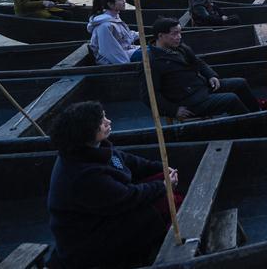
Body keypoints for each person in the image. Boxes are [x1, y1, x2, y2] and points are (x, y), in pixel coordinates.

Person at [47, 101, 178, 268]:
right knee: (153, 210)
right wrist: (163, 186)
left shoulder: (97, 148)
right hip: (87, 240)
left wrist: (161, 169)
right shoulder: (83, 175)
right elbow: (128, 197)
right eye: (101, 121)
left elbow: (129, 162)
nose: (108, 121)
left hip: (106, 215)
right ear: (87, 131)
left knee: (158, 181)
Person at [138, 18, 261, 119]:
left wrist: (211, 75)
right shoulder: (151, 62)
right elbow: (149, 95)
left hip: (201, 87)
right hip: (188, 101)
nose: (179, 37)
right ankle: (250, 124)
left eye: (180, 32)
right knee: (231, 99)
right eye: (175, 33)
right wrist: (173, 110)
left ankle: (259, 114)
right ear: (161, 36)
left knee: (240, 83)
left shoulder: (179, 47)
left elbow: (198, 62)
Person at [87, 0, 140, 65]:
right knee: (154, 54)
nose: (124, 1)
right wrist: (127, 65)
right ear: (111, 4)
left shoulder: (115, 17)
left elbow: (125, 36)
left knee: (158, 49)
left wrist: (141, 34)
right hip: (119, 58)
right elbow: (110, 52)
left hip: (128, 50)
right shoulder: (105, 26)